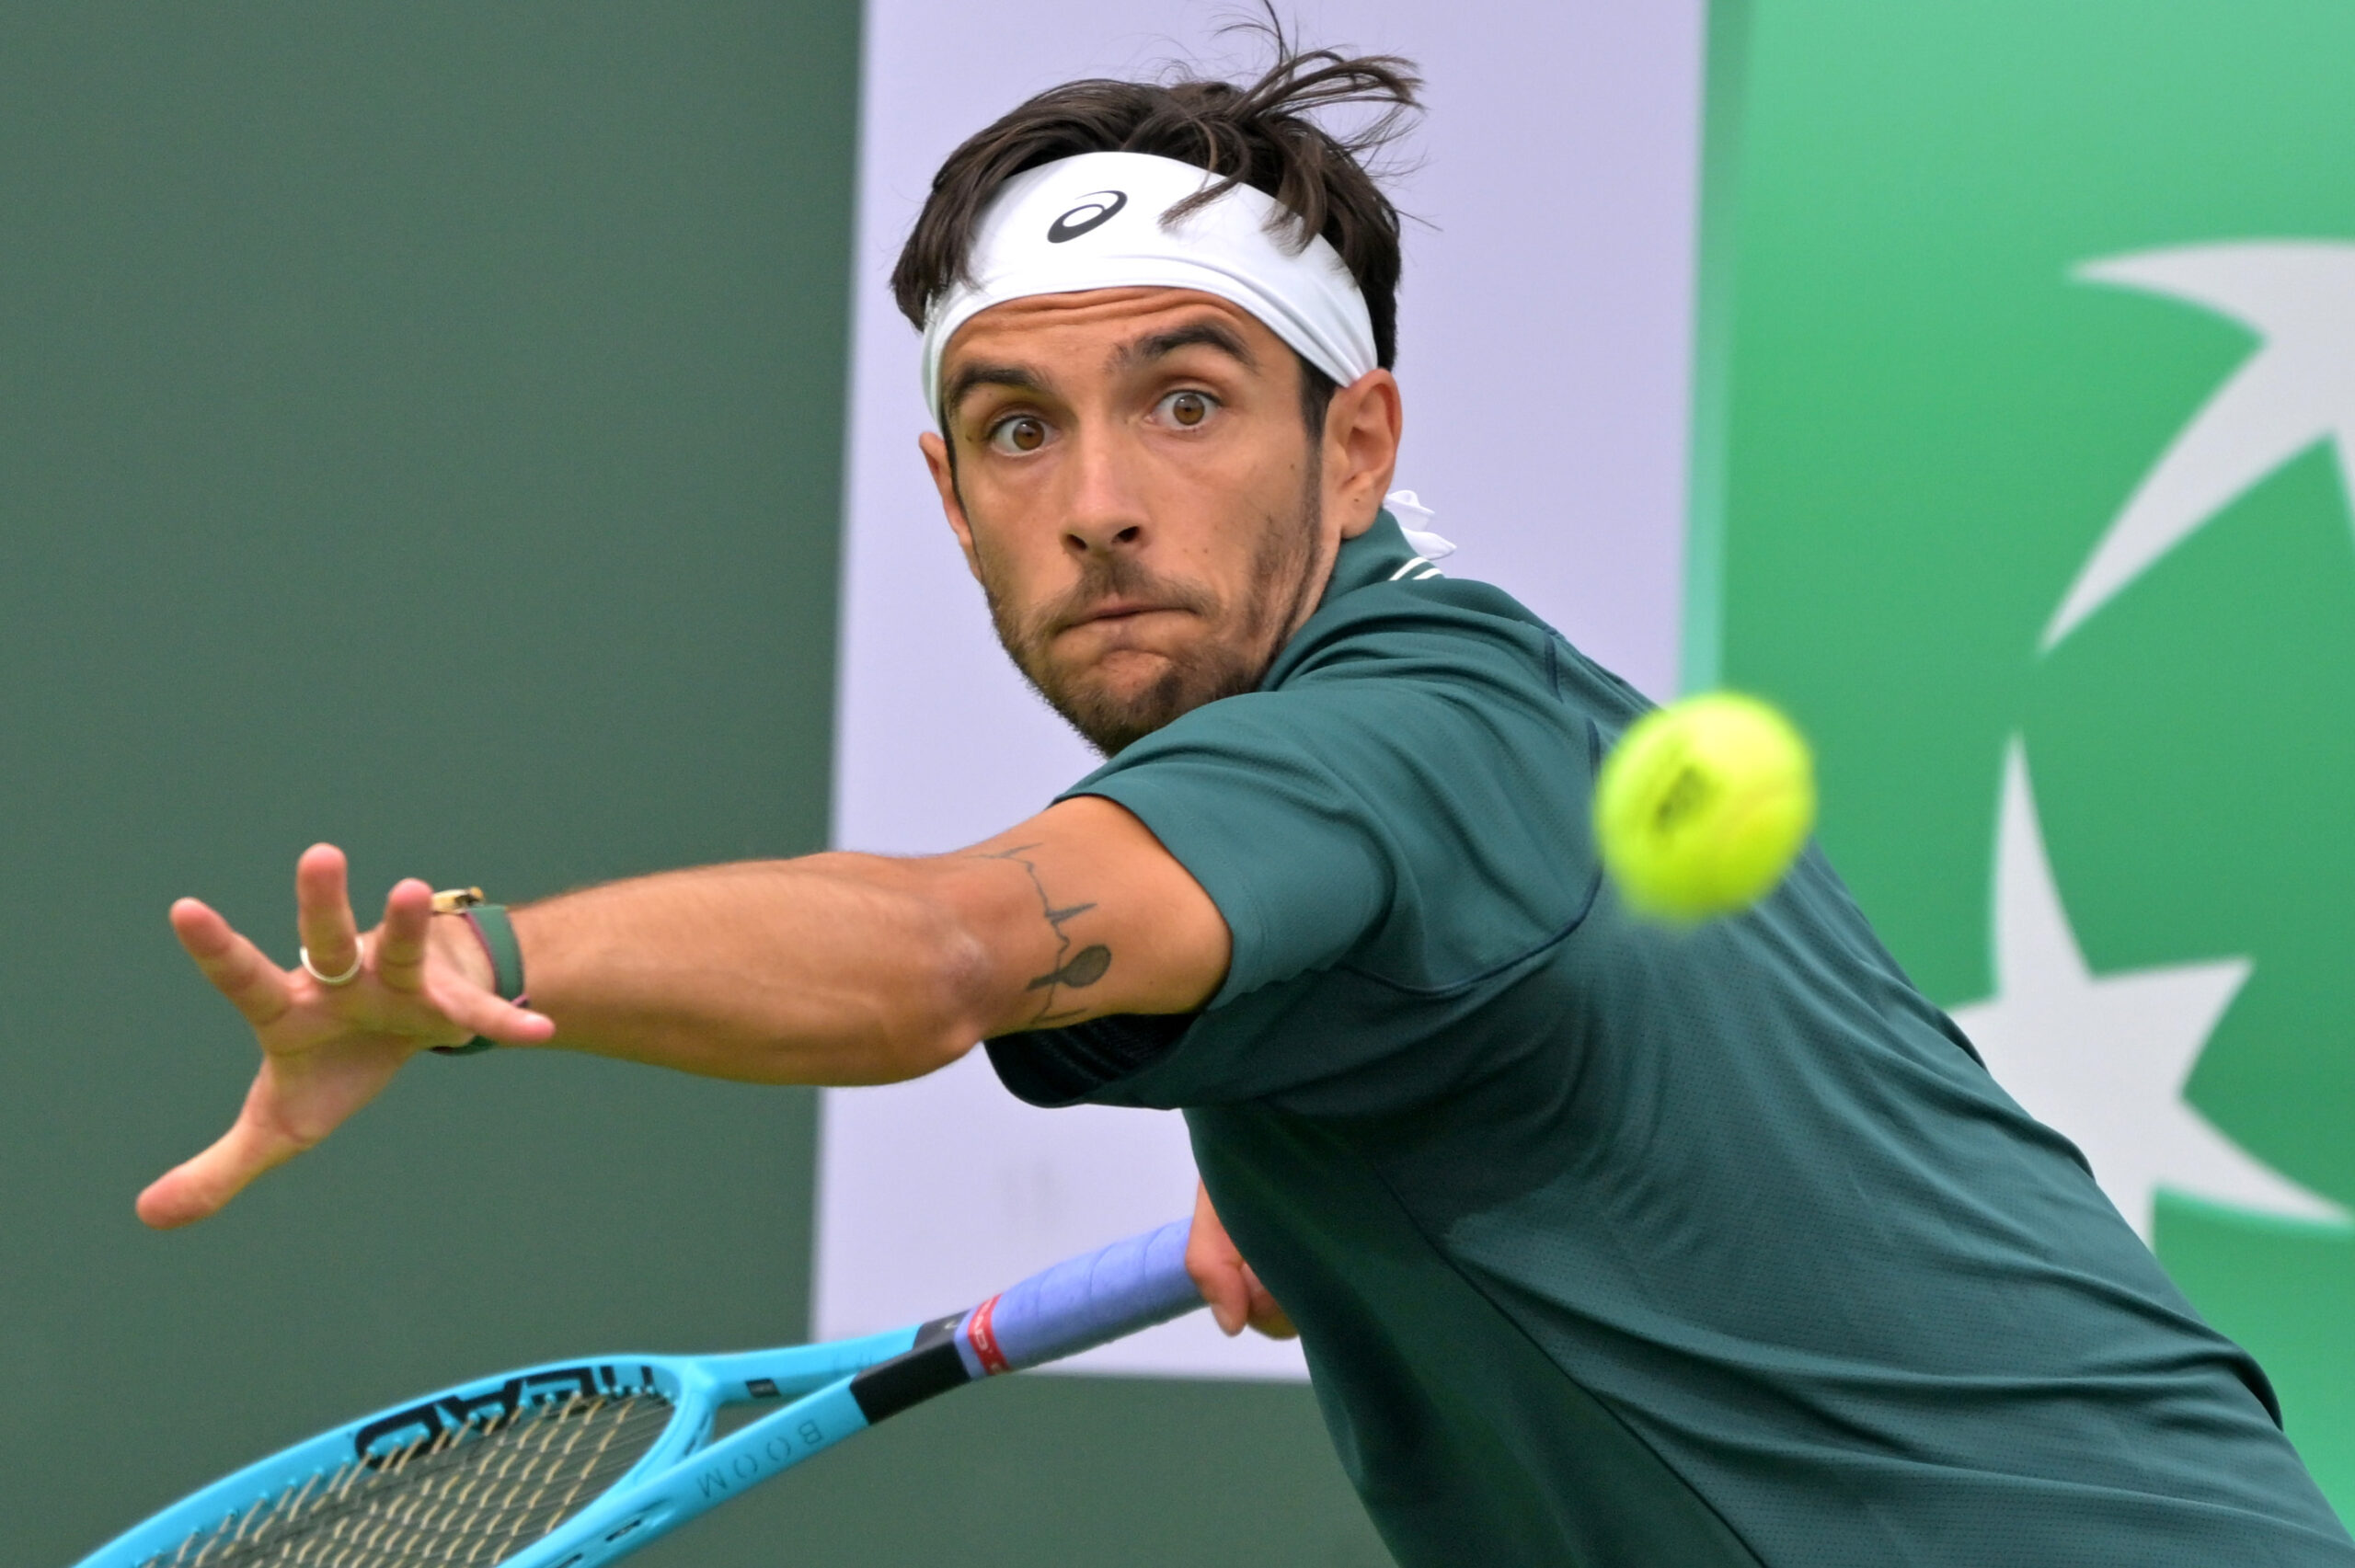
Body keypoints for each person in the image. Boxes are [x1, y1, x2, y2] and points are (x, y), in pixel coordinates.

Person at [138, 36, 2355, 1568]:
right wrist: (1335, 1191)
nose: (1097, 504)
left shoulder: (1402, 742)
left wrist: (475, 970)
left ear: (1357, 446)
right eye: (1016, 431)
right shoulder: (1461, 743)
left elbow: (934, 951)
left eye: (1183, 401)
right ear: (946, 492)